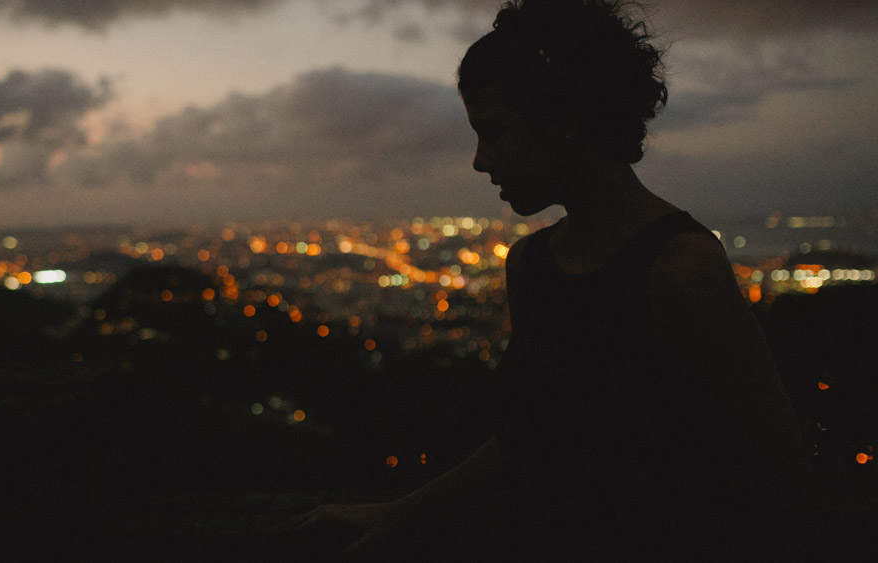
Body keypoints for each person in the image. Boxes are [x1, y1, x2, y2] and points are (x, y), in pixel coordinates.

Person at [299, 1, 819, 560]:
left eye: (493, 132)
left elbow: (777, 464)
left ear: (564, 121)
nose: (479, 161)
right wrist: (405, 509)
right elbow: (535, 436)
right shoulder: (530, 263)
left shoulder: (681, 267)